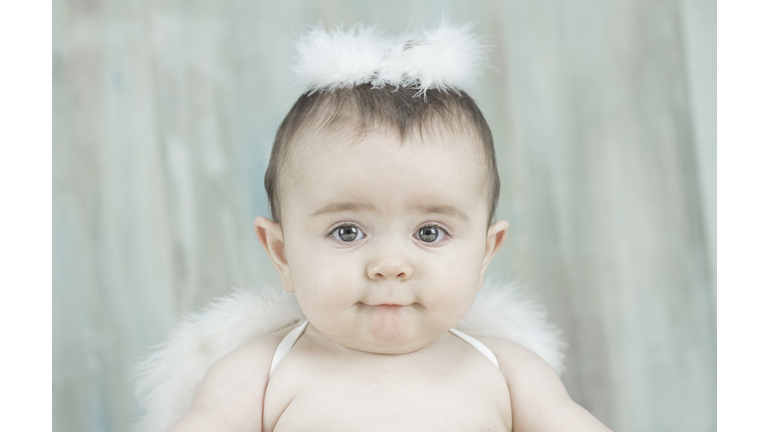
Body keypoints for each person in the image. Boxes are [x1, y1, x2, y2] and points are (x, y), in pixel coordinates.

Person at [168, 23, 612, 432]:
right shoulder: (258, 373)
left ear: (484, 253)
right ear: (282, 254)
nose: (390, 265)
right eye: (346, 231)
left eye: (430, 232)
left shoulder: (509, 371)